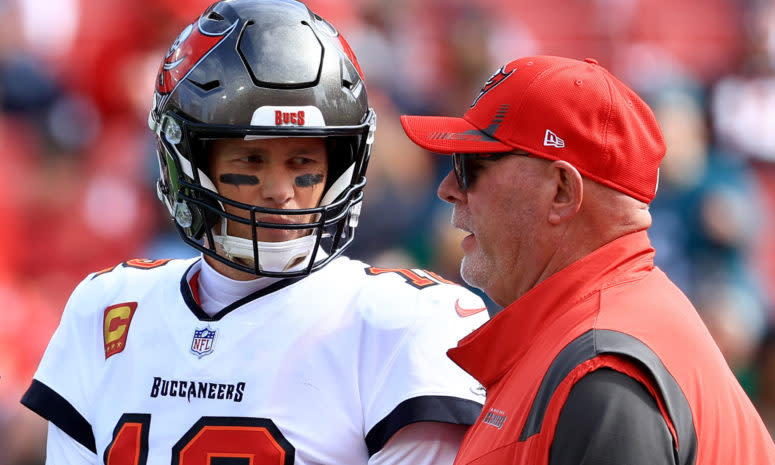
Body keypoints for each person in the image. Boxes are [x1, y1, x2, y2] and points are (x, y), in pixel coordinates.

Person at [20, 1, 490, 464]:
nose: (280, 191)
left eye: (303, 162)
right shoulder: (107, 308)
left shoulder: (405, 323)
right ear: (191, 164)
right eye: (251, 160)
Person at [400, 55, 775, 464]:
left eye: (470, 165)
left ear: (561, 190)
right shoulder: (592, 336)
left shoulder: (605, 375)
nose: (448, 188)